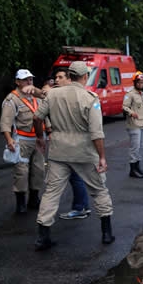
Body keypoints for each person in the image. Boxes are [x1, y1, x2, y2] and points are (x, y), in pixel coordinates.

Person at [34, 61, 115, 251]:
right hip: (84, 152)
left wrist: (40, 136)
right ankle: (106, 232)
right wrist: (102, 156)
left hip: (58, 151)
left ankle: (43, 236)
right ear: (85, 77)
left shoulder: (53, 94)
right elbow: (96, 132)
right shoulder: (90, 98)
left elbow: (37, 117)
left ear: (69, 76)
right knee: (99, 190)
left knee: (51, 193)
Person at [0, 69, 46, 214]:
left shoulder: (36, 97)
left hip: (38, 139)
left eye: (31, 79)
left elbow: (45, 115)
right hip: (22, 139)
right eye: (25, 79)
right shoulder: (12, 99)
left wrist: (48, 132)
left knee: (38, 169)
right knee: (21, 172)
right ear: (17, 82)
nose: (29, 82)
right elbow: (5, 122)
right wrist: (9, 140)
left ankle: (34, 199)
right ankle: (21, 203)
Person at [53, 68, 92, 220]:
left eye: (60, 77)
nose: (57, 80)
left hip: (73, 145)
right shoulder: (63, 95)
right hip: (73, 144)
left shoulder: (73, 97)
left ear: (69, 80)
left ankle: (80, 207)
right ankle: (83, 206)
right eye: (56, 77)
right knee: (77, 177)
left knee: (75, 177)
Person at [123, 71, 143, 178]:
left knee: (141, 147)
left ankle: (138, 167)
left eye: (142, 82)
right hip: (134, 124)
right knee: (134, 147)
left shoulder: (142, 95)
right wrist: (131, 113)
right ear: (135, 82)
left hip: (142, 124)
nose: (141, 84)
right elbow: (124, 107)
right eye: (138, 82)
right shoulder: (130, 94)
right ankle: (132, 170)